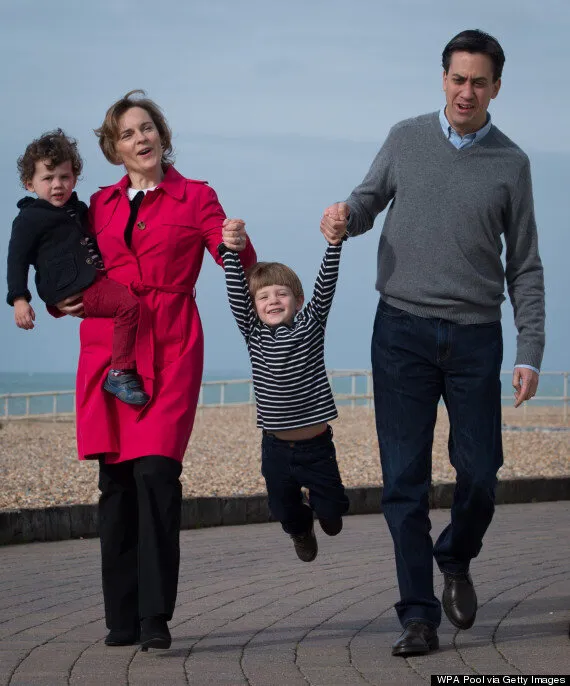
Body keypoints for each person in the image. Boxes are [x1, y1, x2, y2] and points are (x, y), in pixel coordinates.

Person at [320, 30, 545, 657]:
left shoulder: (513, 164)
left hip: (477, 338)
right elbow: (367, 201)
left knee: (481, 474)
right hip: (401, 332)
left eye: (478, 81)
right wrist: (346, 216)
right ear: (442, 79)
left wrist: (530, 349)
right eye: (456, 78)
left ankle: (456, 553)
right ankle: (417, 614)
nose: (465, 91)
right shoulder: (405, 138)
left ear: (496, 86)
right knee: (405, 480)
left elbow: (524, 264)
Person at [54, 91, 256, 651]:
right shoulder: (97, 205)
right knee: (115, 484)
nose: (140, 139)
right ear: (114, 149)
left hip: (169, 346)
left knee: (156, 476)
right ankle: (120, 619)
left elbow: (232, 253)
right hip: (108, 350)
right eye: (127, 134)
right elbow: (65, 264)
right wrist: (55, 300)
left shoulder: (197, 196)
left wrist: (235, 243)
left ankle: (154, 618)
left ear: (163, 136)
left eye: (147, 129)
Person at [219, 220, 349, 562]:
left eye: (281, 293)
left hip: (317, 447)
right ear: (254, 306)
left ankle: (324, 512)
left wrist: (334, 245)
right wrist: (231, 255)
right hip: (276, 447)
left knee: (335, 512)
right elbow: (236, 294)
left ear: (298, 299)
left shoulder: (311, 325)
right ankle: (300, 529)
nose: (272, 300)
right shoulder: (254, 336)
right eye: (263, 296)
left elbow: (326, 286)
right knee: (282, 507)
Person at [6, 129, 148, 405]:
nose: (57, 184)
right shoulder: (30, 218)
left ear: (74, 178)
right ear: (29, 184)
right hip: (73, 286)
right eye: (47, 178)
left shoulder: (78, 209)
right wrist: (20, 299)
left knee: (113, 322)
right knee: (129, 306)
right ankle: (119, 372)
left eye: (64, 177)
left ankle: (115, 371)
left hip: (87, 280)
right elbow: (17, 258)